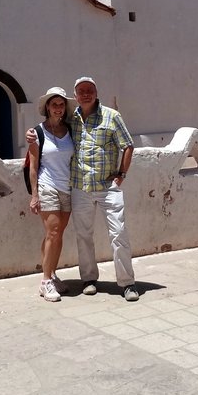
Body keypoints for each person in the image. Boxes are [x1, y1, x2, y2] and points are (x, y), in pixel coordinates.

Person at [27, 76, 139, 301]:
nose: (85, 94)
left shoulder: (106, 117)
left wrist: (122, 174)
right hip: (76, 187)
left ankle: (127, 283)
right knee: (77, 235)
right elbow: (37, 152)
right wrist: (31, 135)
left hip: (104, 187)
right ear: (75, 96)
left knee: (118, 233)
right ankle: (82, 279)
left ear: (96, 93)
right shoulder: (63, 122)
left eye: (90, 90)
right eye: (81, 91)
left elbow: (128, 145)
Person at [28, 87, 76, 302]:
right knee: (53, 232)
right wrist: (34, 195)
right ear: (47, 106)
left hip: (68, 187)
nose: (58, 108)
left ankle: (52, 274)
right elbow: (33, 166)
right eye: (54, 104)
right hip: (48, 186)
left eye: (61, 104)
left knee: (57, 235)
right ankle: (46, 281)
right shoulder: (37, 133)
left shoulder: (71, 130)